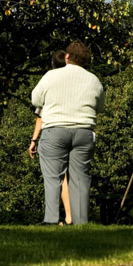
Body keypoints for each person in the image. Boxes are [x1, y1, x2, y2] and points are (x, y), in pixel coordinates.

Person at [31, 41, 104, 225]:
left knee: (53, 177)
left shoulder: (51, 75)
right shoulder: (94, 80)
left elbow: (35, 99)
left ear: (67, 56)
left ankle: (52, 219)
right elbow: (100, 106)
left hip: (55, 129)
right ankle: (81, 222)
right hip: (84, 131)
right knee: (80, 179)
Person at [28, 50, 72, 225]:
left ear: (53, 65)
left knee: (56, 177)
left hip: (54, 133)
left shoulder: (49, 83)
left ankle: (55, 218)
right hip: (78, 131)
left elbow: (40, 116)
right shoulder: (75, 84)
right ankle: (71, 216)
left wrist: (33, 140)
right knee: (70, 176)